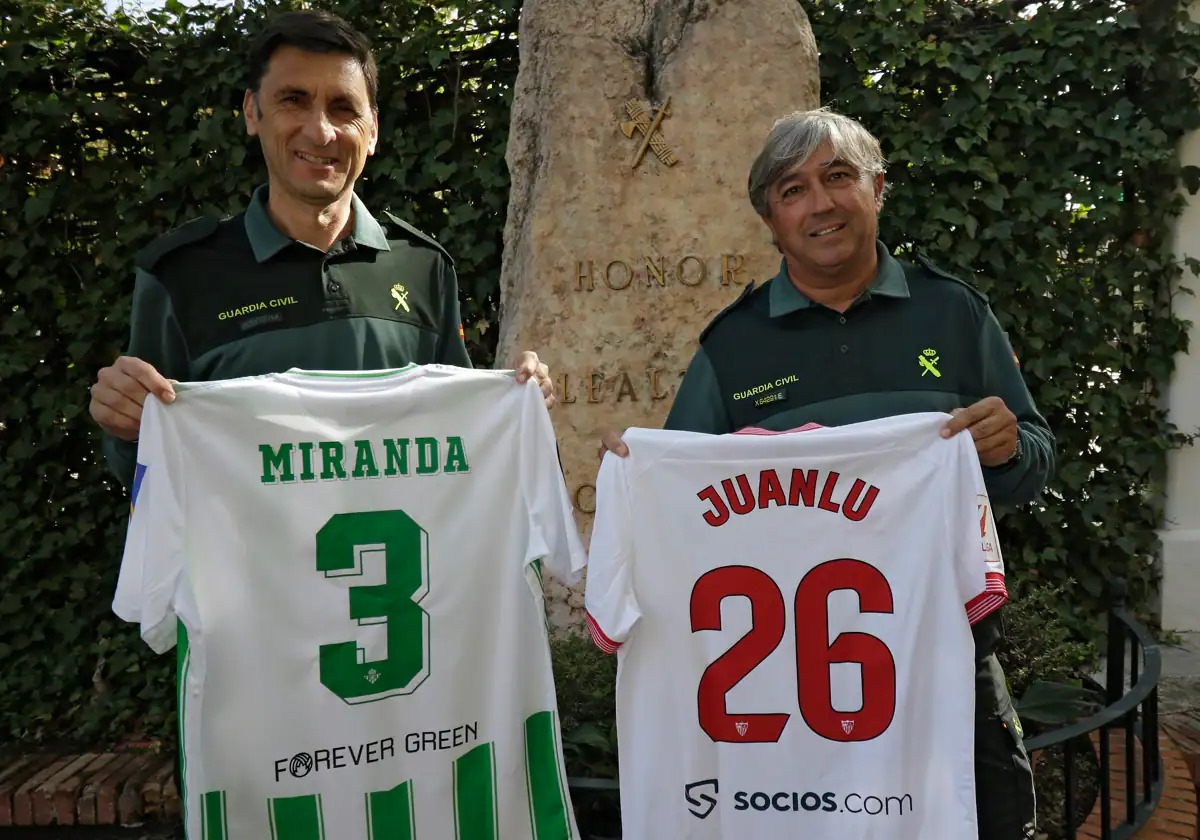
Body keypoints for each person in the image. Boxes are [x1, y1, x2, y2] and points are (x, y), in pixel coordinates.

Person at [601, 107, 1054, 840]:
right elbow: (678, 510)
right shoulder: (733, 346)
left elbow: (1032, 459)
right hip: (787, 695)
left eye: (839, 177)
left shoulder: (953, 314)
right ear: (770, 220)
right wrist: (638, 475)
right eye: (793, 190)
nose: (820, 204)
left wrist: (1009, 449)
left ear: (877, 188)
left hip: (945, 667)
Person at [89, 9, 554, 488]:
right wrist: (125, 426)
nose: (321, 131)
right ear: (252, 112)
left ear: (372, 131)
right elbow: (146, 474)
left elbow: (461, 444)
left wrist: (514, 401)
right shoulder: (181, 274)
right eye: (293, 100)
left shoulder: (423, 267)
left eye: (343, 108)